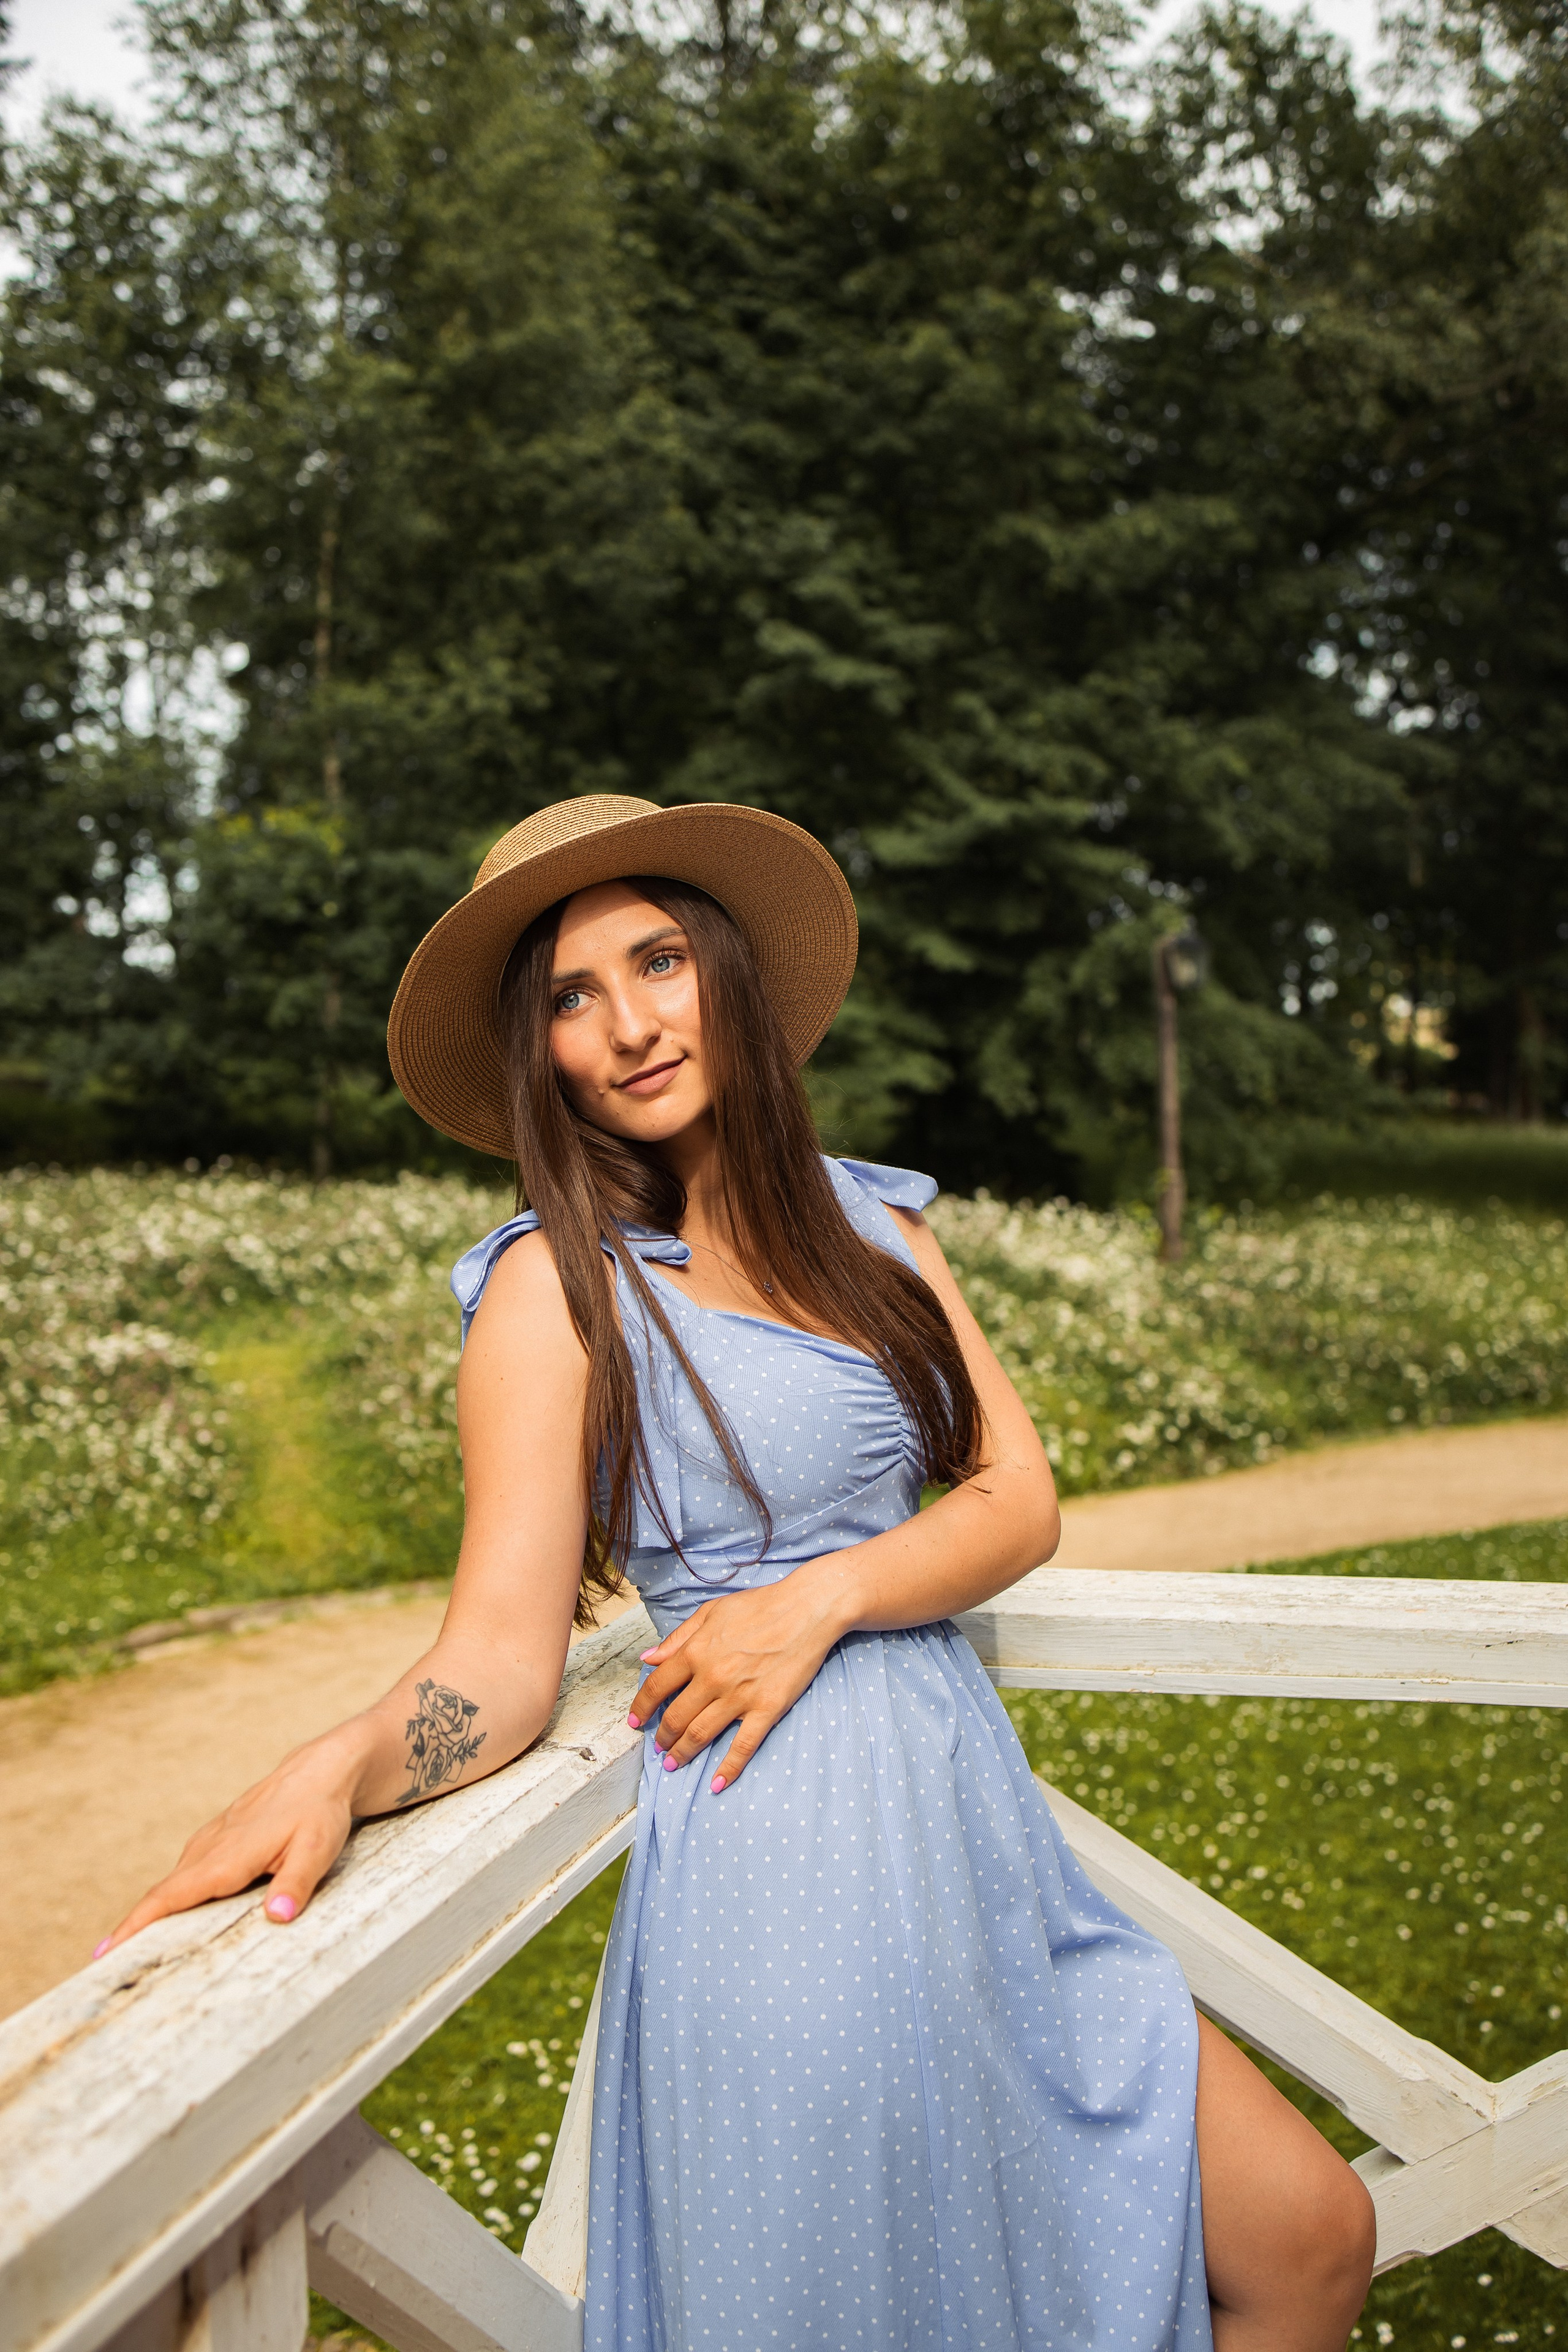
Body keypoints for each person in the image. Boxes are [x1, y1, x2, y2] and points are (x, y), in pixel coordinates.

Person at [102, 796, 1375, 2351]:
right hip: (779, 1870)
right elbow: (498, 1654)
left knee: (1310, 2237)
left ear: (724, 970)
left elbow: (1014, 1494)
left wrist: (822, 1596)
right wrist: (353, 1757)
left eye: (655, 960)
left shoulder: (869, 1220)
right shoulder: (547, 1290)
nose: (628, 1023)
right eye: (571, 996)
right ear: (538, 1049)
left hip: (977, 1847)